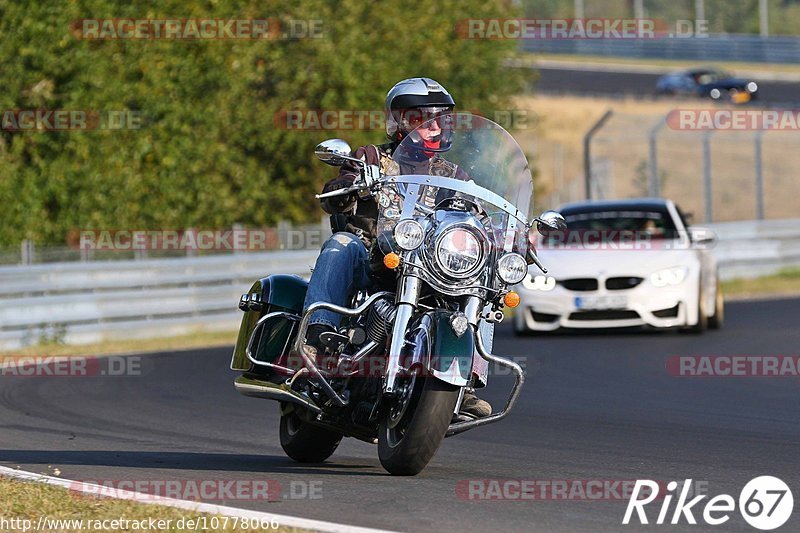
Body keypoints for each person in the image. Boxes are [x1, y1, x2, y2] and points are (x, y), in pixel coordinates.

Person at [302, 77, 491, 419]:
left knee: (482, 278)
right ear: (398, 122)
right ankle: (319, 336)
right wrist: (349, 184)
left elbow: (480, 217)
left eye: (441, 119)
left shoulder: (456, 176)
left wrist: (504, 234)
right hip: (375, 259)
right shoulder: (372, 158)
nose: (434, 128)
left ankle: (466, 378)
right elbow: (337, 191)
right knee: (341, 243)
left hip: (428, 267)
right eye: (422, 119)